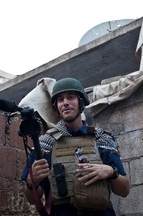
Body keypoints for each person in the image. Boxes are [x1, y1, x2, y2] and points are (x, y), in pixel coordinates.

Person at [21, 77, 130, 216]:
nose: (65, 103)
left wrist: (111, 172)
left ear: (81, 102)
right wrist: (32, 182)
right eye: (60, 99)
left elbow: (124, 190)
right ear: (56, 107)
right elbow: (31, 199)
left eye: (70, 97)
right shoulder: (44, 144)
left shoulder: (102, 139)